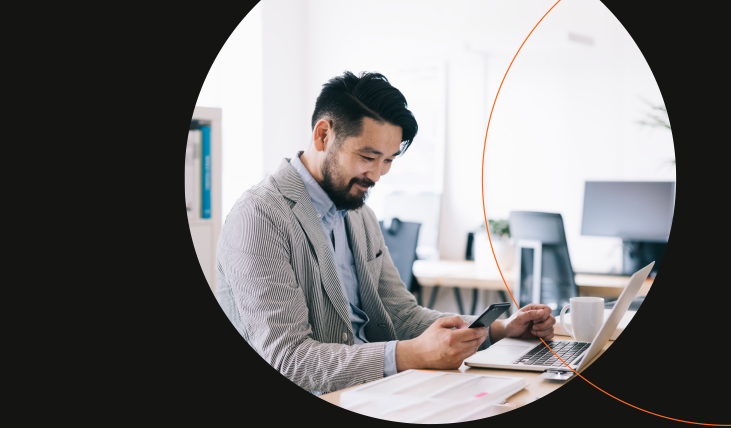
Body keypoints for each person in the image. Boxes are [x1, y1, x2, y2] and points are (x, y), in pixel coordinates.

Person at [214, 71, 557, 395]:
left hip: (377, 393)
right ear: (323, 135)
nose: (377, 175)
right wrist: (409, 355)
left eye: (389, 160)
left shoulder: (360, 215)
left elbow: (403, 316)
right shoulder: (259, 217)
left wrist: (497, 330)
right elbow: (288, 360)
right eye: (368, 156)